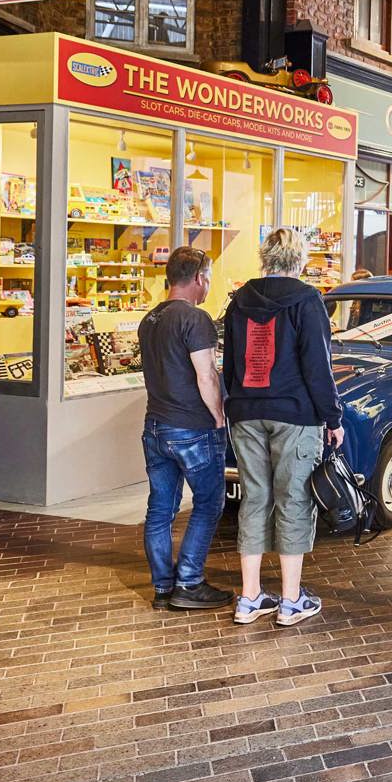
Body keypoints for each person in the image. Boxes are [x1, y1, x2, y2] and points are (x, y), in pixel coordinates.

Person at [222, 228, 343, 627]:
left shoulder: (240, 299)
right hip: (294, 414)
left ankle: (250, 596)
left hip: (245, 411)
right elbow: (317, 366)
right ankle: (291, 600)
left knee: (254, 498)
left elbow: (231, 362)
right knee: (293, 499)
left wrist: (234, 402)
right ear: (299, 259)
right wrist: (333, 418)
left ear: (265, 257)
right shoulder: (307, 300)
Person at [138, 246, 231, 611]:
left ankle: (163, 587)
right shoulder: (195, 319)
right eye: (207, 278)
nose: (208, 285)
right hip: (192, 427)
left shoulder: (150, 319)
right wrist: (219, 416)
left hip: (155, 426)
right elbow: (206, 374)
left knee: (160, 509)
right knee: (209, 502)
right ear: (198, 278)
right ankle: (189, 583)